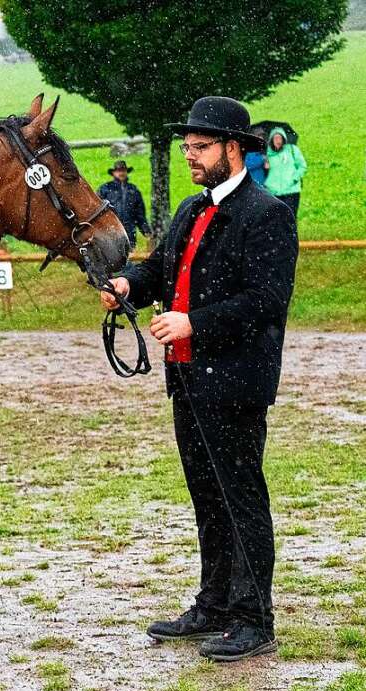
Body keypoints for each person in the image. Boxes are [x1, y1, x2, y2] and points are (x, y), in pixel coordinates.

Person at [100, 96, 298, 662]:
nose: (191, 156)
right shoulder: (190, 209)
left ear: (234, 149)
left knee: (241, 498)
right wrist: (129, 286)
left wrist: (194, 322)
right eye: (187, 147)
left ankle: (255, 618)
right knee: (206, 496)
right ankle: (212, 605)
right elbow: (161, 267)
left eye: (201, 147)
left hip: (236, 380)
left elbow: (266, 301)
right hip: (186, 378)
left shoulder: (267, 215)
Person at [97, 160, 152, 250]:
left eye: (123, 170)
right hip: (110, 231)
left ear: (126, 172)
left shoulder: (133, 190)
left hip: (129, 231)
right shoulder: (105, 189)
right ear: (114, 173)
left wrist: (146, 231)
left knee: (129, 257)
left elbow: (140, 214)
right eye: (119, 171)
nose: (121, 173)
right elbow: (98, 211)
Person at [263, 127, 307, 217]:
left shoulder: (292, 150)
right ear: (271, 140)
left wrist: (294, 179)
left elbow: (302, 166)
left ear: (283, 139)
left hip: (291, 191)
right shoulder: (267, 154)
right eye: (275, 138)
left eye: (280, 138)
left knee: (291, 217)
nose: (278, 140)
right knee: (276, 219)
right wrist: (265, 168)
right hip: (273, 192)